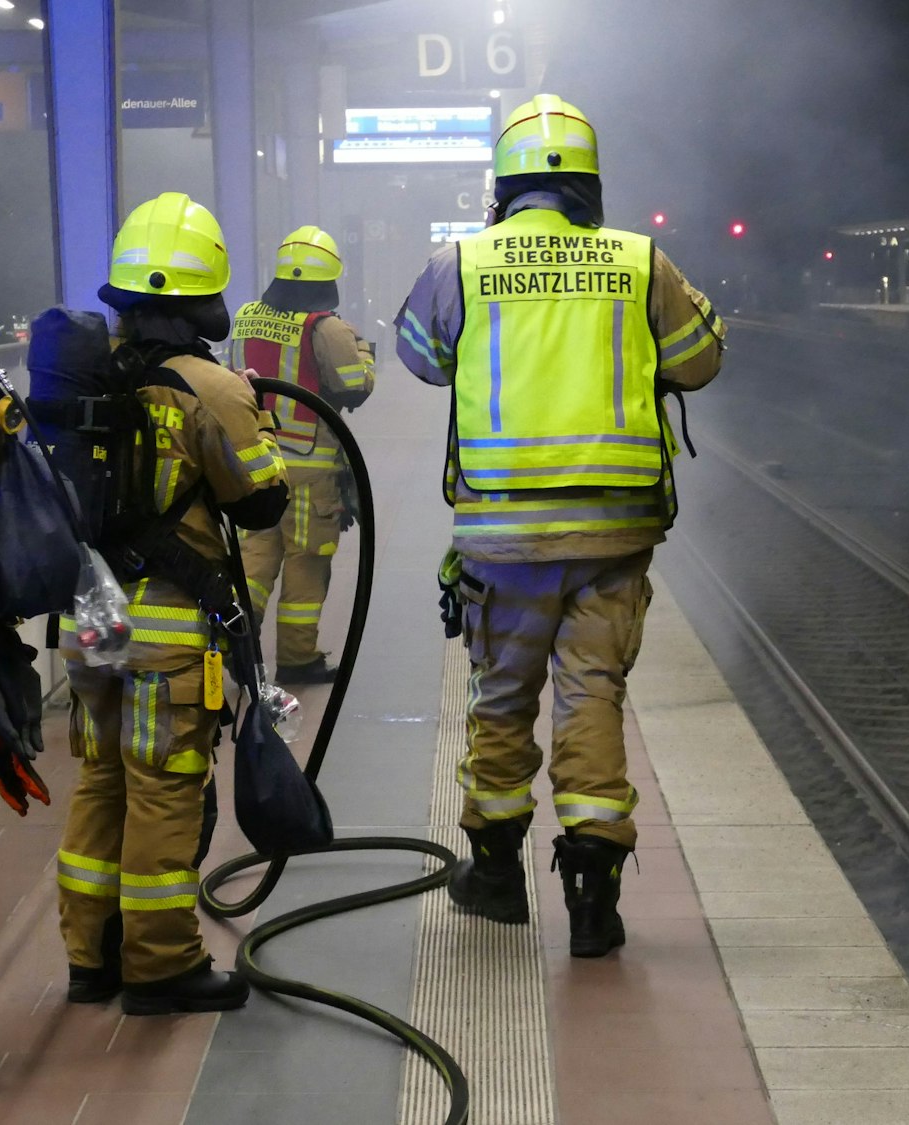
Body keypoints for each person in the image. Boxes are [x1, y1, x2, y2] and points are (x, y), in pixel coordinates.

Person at [394, 94, 727, 957]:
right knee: (592, 696)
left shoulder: (461, 261)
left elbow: (420, 359)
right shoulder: (639, 260)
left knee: (502, 698)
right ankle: (593, 899)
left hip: (502, 539)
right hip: (613, 535)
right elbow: (700, 361)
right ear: (591, 184)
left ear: (502, 186)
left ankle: (497, 878)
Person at [54, 192, 290, 1015]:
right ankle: (160, 965)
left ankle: (90, 958)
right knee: (163, 787)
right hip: (163, 626)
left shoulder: (90, 376)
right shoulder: (210, 386)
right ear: (203, 295)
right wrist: (256, 418)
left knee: (100, 781)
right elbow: (261, 501)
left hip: (92, 615)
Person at [229, 226, 375, 684]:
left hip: (255, 461)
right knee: (306, 562)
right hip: (309, 469)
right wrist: (364, 352)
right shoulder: (326, 327)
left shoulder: (245, 317)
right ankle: (296, 659)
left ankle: (235, 642)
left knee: (255, 556)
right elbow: (354, 386)